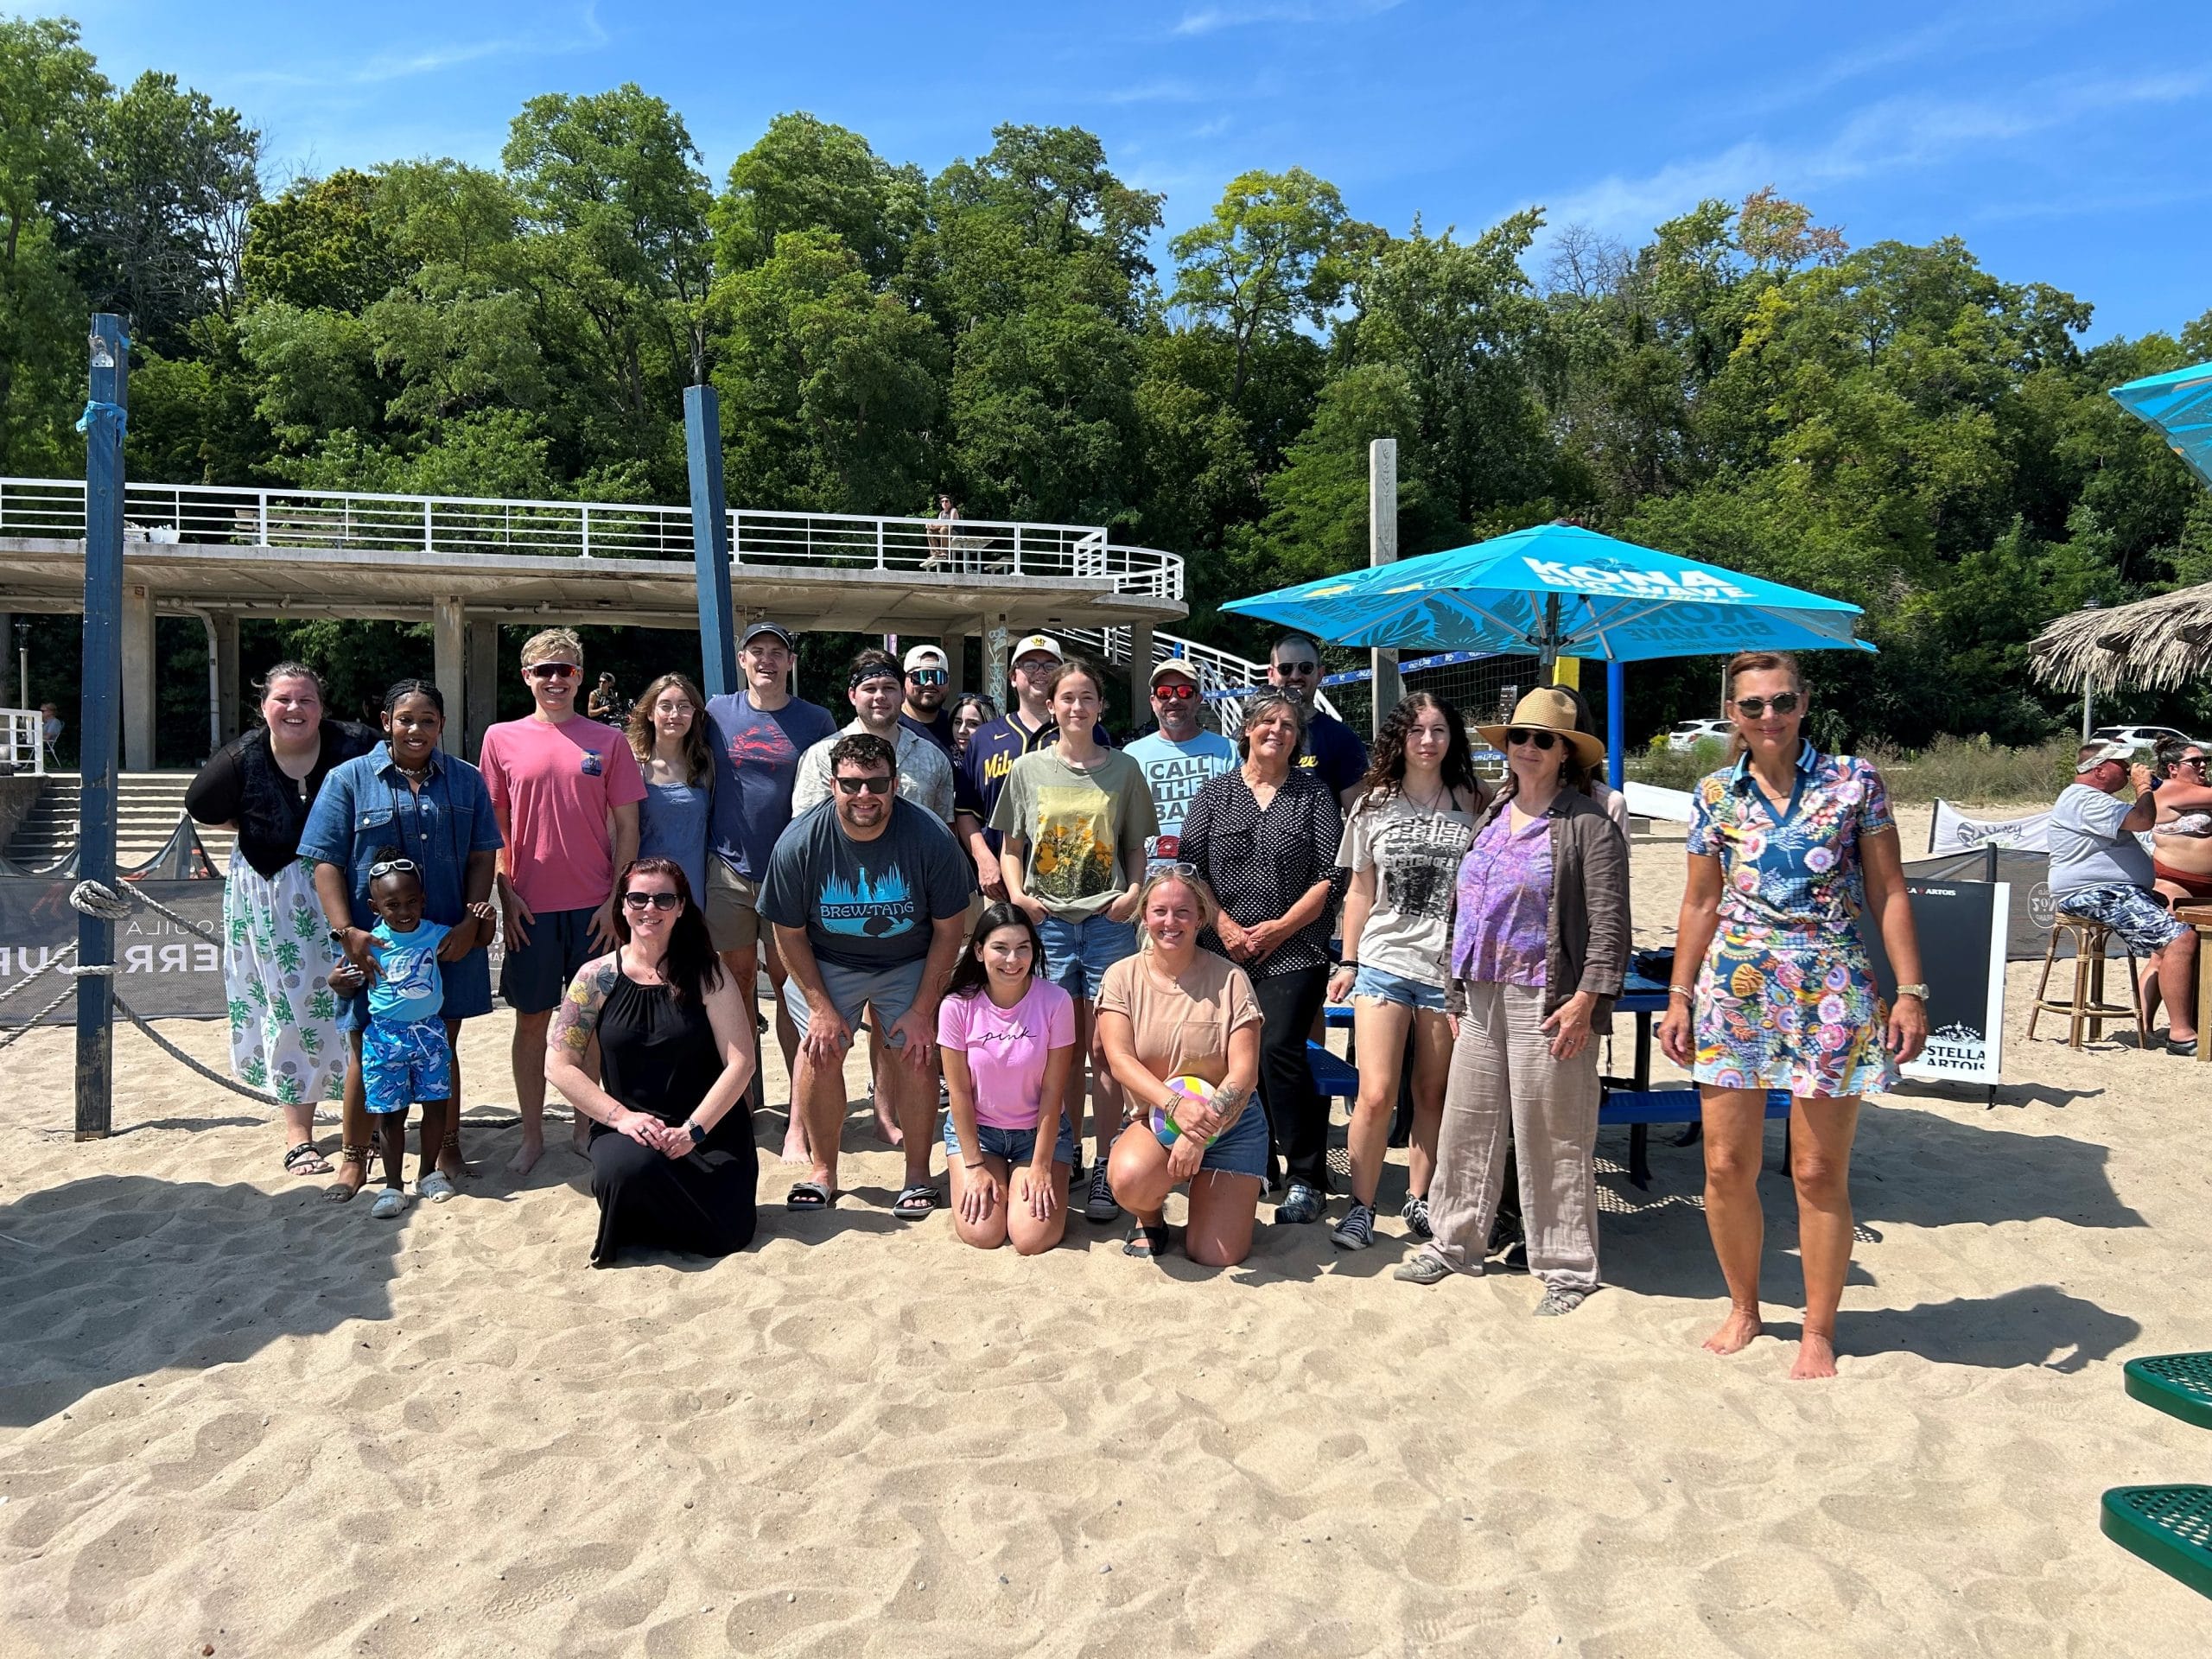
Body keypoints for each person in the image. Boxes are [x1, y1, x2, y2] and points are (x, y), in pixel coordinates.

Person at [1657, 651, 1928, 1380]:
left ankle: (1818, 1327)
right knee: (1725, 1165)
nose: (1768, 716)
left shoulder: (1854, 781)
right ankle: (1744, 1307)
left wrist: (1910, 989)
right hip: (1735, 990)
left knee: (1815, 1170)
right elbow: (1701, 902)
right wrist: (1679, 995)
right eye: (1752, 706)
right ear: (1733, 715)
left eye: (1781, 701)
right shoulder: (1715, 793)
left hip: (1830, 985)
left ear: (1804, 703)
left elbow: (1889, 890)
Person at [1393, 690, 1627, 1314]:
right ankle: (1454, 1242)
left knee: (1553, 1135)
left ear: (1566, 752)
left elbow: (1610, 927)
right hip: (1479, 994)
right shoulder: (1495, 812)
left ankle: (1567, 1267)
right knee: (1467, 1125)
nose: (1528, 747)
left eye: (1543, 739)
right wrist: (1453, 989)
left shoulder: (1588, 825)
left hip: (1547, 999)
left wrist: (1586, 1001)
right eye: (1520, 736)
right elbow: (1463, 909)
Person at [303, 680, 501, 1201]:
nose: (416, 729)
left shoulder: (466, 780)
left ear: (441, 724)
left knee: (443, 1046)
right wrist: (347, 933)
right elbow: (325, 863)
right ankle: (354, 1158)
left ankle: (448, 1151)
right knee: (363, 1048)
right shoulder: (347, 780)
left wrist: (469, 922)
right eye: (406, 719)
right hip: (373, 948)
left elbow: (483, 855)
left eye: (428, 720)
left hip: (447, 942)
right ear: (387, 721)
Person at [760, 734, 970, 1216]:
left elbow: (949, 932)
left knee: (916, 1051)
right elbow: (787, 934)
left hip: (909, 958)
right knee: (820, 1050)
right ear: (832, 784)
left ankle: (917, 1174)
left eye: (876, 784)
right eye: (851, 784)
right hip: (829, 959)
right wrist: (820, 1008)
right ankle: (823, 1171)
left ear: (895, 784)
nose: (864, 795)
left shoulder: (929, 836)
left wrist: (922, 1010)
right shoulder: (800, 841)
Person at [185, 662, 375, 1175]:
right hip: (272, 892)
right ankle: (299, 1133)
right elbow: (201, 805)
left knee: (363, 997)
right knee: (288, 1006)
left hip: (345, 884)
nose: (295, 709)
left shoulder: (355, 743)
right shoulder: (241, 758)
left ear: (322, 707)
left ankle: (367, 1121)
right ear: (264, 706)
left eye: (306, 700)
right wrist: (253, 823)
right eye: (283, 699)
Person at [990, 657, 1158, 1224]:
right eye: (1068, 697)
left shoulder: (1125, 769)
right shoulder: (1028, 769)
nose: (1077, 707)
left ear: (1100, 706)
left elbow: (1135, 844)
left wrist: (1133, 892)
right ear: (1052, 705)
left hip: (1109, 923)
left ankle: (1108, 1159)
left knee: (1107, 1049)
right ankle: (1068, 1150)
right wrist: (1021, 897)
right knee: (1057, 1048)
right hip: (1050, 926)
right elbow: (1011, 847)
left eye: (1087, 697)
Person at [478, 627, 645, 1173]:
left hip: (594, 908)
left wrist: (614, 901)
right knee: (532, 1023)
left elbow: (628, 827)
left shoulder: (609, 741)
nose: (555, 679)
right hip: (530, 908)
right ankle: (531, 1134)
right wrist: (506, 891)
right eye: (544, 670)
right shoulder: (500, 738)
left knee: (589, 1024)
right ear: (527, 677)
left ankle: (583, 1128)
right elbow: (494, 826)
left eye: (565, 669)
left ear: (580, 676)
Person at [1178, 687, 1345, 1220]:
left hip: (1295, 948)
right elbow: (1191, 869)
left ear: (1298, 739)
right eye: (1268, 722)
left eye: (1289, 726)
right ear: (1247, 729)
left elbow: (1331, 876)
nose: (1277, 732)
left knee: (1277, 1049)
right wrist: (1224, 925)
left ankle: (1306, 1175)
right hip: (1222, 947)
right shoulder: (1215, 792)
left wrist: (1279, 928)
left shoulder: (1313, 794)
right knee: (1229, 1057)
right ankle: (1257, 1159)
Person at [1326, 692, 1485, 1251]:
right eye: (1416, 730)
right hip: (1384, 961)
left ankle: (1420, 1198)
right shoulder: (1373, 805)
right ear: (1399, 737)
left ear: (1452, 737)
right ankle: (1361, 1206)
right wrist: (1349, 961)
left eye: (1439, 729)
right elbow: (1359, 891)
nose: (1427, 740)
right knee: (1375, 1093)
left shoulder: (1473, 799)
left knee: (1432, 1091)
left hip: (1445, 969)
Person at [545, 858, 761, 1267]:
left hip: (709, 1129)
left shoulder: (709, 973)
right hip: (632, 1127)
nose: (651, 909)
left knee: (728, 1232)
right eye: (638, 899)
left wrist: (693, 1130)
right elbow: (559, 1065)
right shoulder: (595, 977)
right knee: (626, 1170)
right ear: (622, 906)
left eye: (664, 899)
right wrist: (621, 1118)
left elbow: (741, 1063)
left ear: (681, 907)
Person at [702, 620, 841, 1160]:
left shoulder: (816, 719)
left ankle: (798, 1118)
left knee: (790, 990)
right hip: (727, 870)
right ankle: (740, 1104)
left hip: (790, 874)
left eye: (776, 652)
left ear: (790, 662)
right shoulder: (717, 712)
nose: (766, 660)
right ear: (742, 660)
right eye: (756, 651)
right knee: (736, 985)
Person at [1097, 869, 1268, 1265]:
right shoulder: (1121, 977)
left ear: (1200, 918)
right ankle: (1151, 1218)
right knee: (1128, 1177)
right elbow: (1120, 1060)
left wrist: (1201, 1131)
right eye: (1159, 911)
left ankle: (1215, 1203)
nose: (1170, 922)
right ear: (1144, 915)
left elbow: (1244, 1074)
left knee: (1214, 1254)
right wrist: (1175, 1107)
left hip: (1231, 1124)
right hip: (1158, 1117)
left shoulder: (1231, 979)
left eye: (1182, 912)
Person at [938, 904, 1077, 1254]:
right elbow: (959, 1092)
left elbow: (1053, 1090)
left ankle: (1034, 1180)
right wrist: (974, 1165)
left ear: (1034, 950)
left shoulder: (1056, 1001)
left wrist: (1041, 1166)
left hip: (1038, 1133)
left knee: (1031, 1238)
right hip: (979, 1133)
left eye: (1023, 948)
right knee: (982, 1234)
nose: (1012, 960)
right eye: (1000, 948)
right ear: (979, 951)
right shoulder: (956, 1005)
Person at [2050, 738, 2202, 1051]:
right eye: (2121, 764)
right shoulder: (2085, 799)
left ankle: (2158, 1023)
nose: (2128, 768)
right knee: (2180, 939)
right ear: (2099, 770)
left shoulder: (2094, 799)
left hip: (2112, 891)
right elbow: (2142, 820)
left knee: (2174, 941)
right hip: (2096, 892)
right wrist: (2144, 787)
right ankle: (2181, 1034)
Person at [356, 861, 484, 1218]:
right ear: (375, 907)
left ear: (423, 900)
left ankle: (428, 1173)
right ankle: (392, 1186)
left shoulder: (433, 933)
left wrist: (483, 918)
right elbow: (342, 977)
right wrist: (339, 981)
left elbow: (478, 939)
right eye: (393, 905)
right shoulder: (369, 942)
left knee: (436, 1106)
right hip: (385, 1038)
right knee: (391, 1115)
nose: (404, 911)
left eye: (411, 902)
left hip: (430, 1033)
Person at [953, 633, 1112, 909]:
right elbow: (966, 810)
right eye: (1029, 665)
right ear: (1013, 677)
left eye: (1050, 666)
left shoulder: (1090, 732)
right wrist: (984, 860)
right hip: (1002, 883)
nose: (1040, 672)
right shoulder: (986, 737)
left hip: (1071, 883)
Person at [791, 648, 957, 826]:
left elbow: (945, 829)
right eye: (870, 688)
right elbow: (807, 829)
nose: (880, 696)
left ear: (903, 694)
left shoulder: (933, 758)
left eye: (889, 688)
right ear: (853, 695)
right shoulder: (821, 757)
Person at [1123, 659, 1236, 867]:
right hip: (1151, 877)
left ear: (1198, 699)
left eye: (1185, 692)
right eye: (1164, 693)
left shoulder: (1229, 750)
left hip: (1212, 875)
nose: (1174, 699)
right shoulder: (1132, 755)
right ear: (1153, 701)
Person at [627, 672, 713, 910]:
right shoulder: (633, 764)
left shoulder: (706, 764)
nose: (675, 715)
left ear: (694, 713)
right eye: (665, 706)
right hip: (646, 894)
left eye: (684, 706)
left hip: (694, 889)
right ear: (649, 712)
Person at [1264, 632, 1369, 807]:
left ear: (1320, 674)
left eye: (1306, 668)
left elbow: (1358, 817)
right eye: (1285, 668)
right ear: (1271, 674)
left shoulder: (1342, 739)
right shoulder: (1250, 736)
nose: (1295, 676)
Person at [2146, 737, 2212, 907]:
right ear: (2173, 768)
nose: (2203, 765)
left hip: (2207, 882)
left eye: (2205, 760)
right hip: (2175, 880)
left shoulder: (2205, 789)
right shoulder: (2167, 788)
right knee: (2184, 925)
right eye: (2195, 761)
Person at [899, 644, 957, 757]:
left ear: (948, 682)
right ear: (904, 681)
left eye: (938, 677)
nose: (930, 683)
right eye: (920, 676)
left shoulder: (957, 726)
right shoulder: (892, 726)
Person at [950, 694, 995, 761]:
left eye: (973, 724)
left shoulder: (999, 761)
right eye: (958, 722)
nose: (961, 730)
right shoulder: (943, 756)